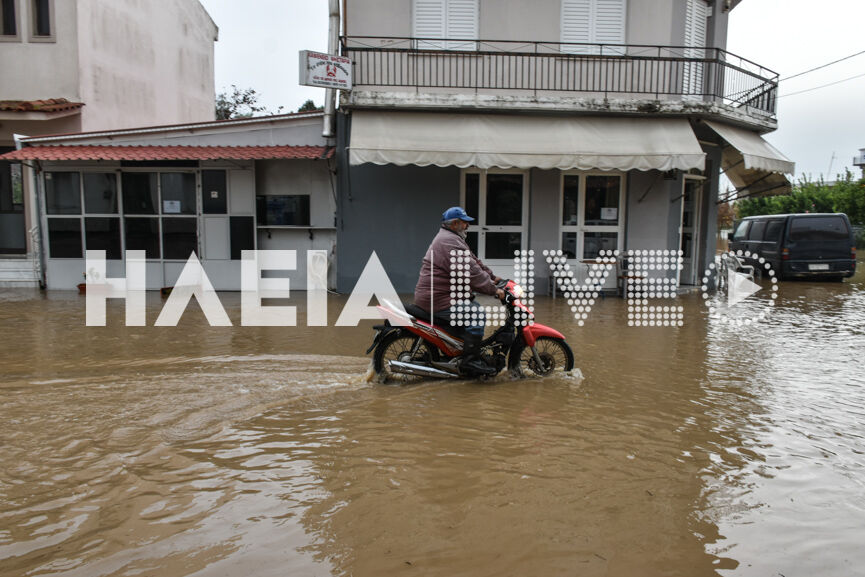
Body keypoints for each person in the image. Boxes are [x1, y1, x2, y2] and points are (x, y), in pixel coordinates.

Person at [414, 206, 505, 373]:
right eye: (465, 223)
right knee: (476, 314)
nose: (468, 226)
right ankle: (469, 361)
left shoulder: (452, 239)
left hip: (439, 296)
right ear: (455, 223)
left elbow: (474, 262)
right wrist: (494, 290)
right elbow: (471, 273)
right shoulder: (449, 241)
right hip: (438, 298)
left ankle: (459, 350)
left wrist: (493, 278)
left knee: (474, 307)